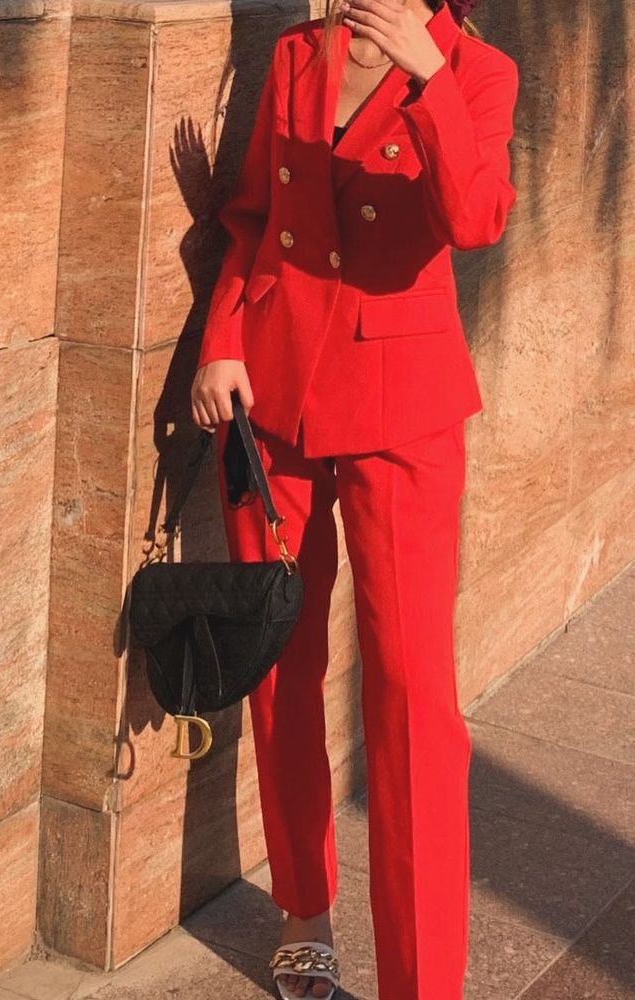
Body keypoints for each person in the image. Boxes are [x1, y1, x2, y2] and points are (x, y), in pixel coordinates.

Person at [190, 0, 519, 997]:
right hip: (274, 398)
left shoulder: (478, 70)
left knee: (413, 694)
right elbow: (255, 217)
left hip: (402, 412)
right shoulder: (297, 52)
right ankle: (304, 910)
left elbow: (476, 218)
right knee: (284, 667)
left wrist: (426, 81)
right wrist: (222, 339)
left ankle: (423, 982)